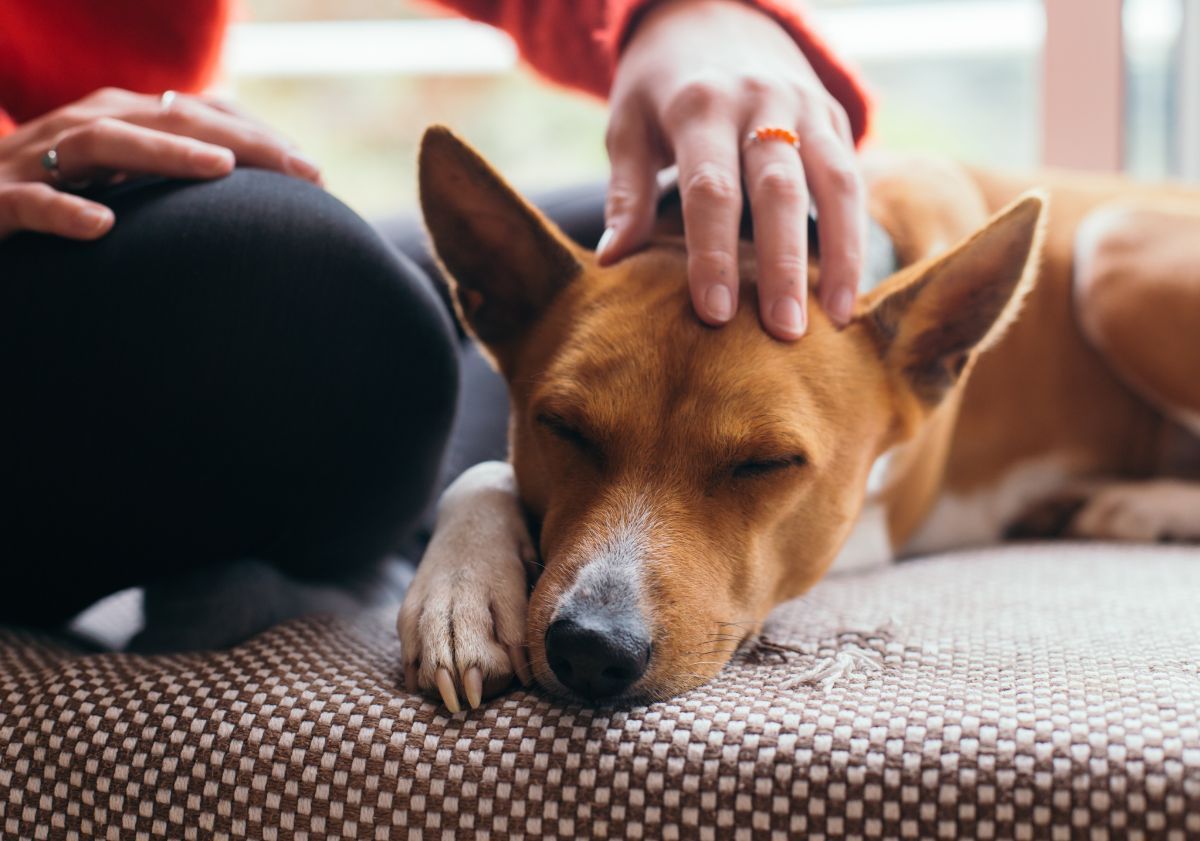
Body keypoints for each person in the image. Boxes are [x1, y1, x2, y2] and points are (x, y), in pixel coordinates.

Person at [0, 0, 870, 632]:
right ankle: (381, 529)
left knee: (695, 234)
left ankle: (418, 510)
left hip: (117, 191)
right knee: (281, 266)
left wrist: (680, 15)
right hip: (46, 240)